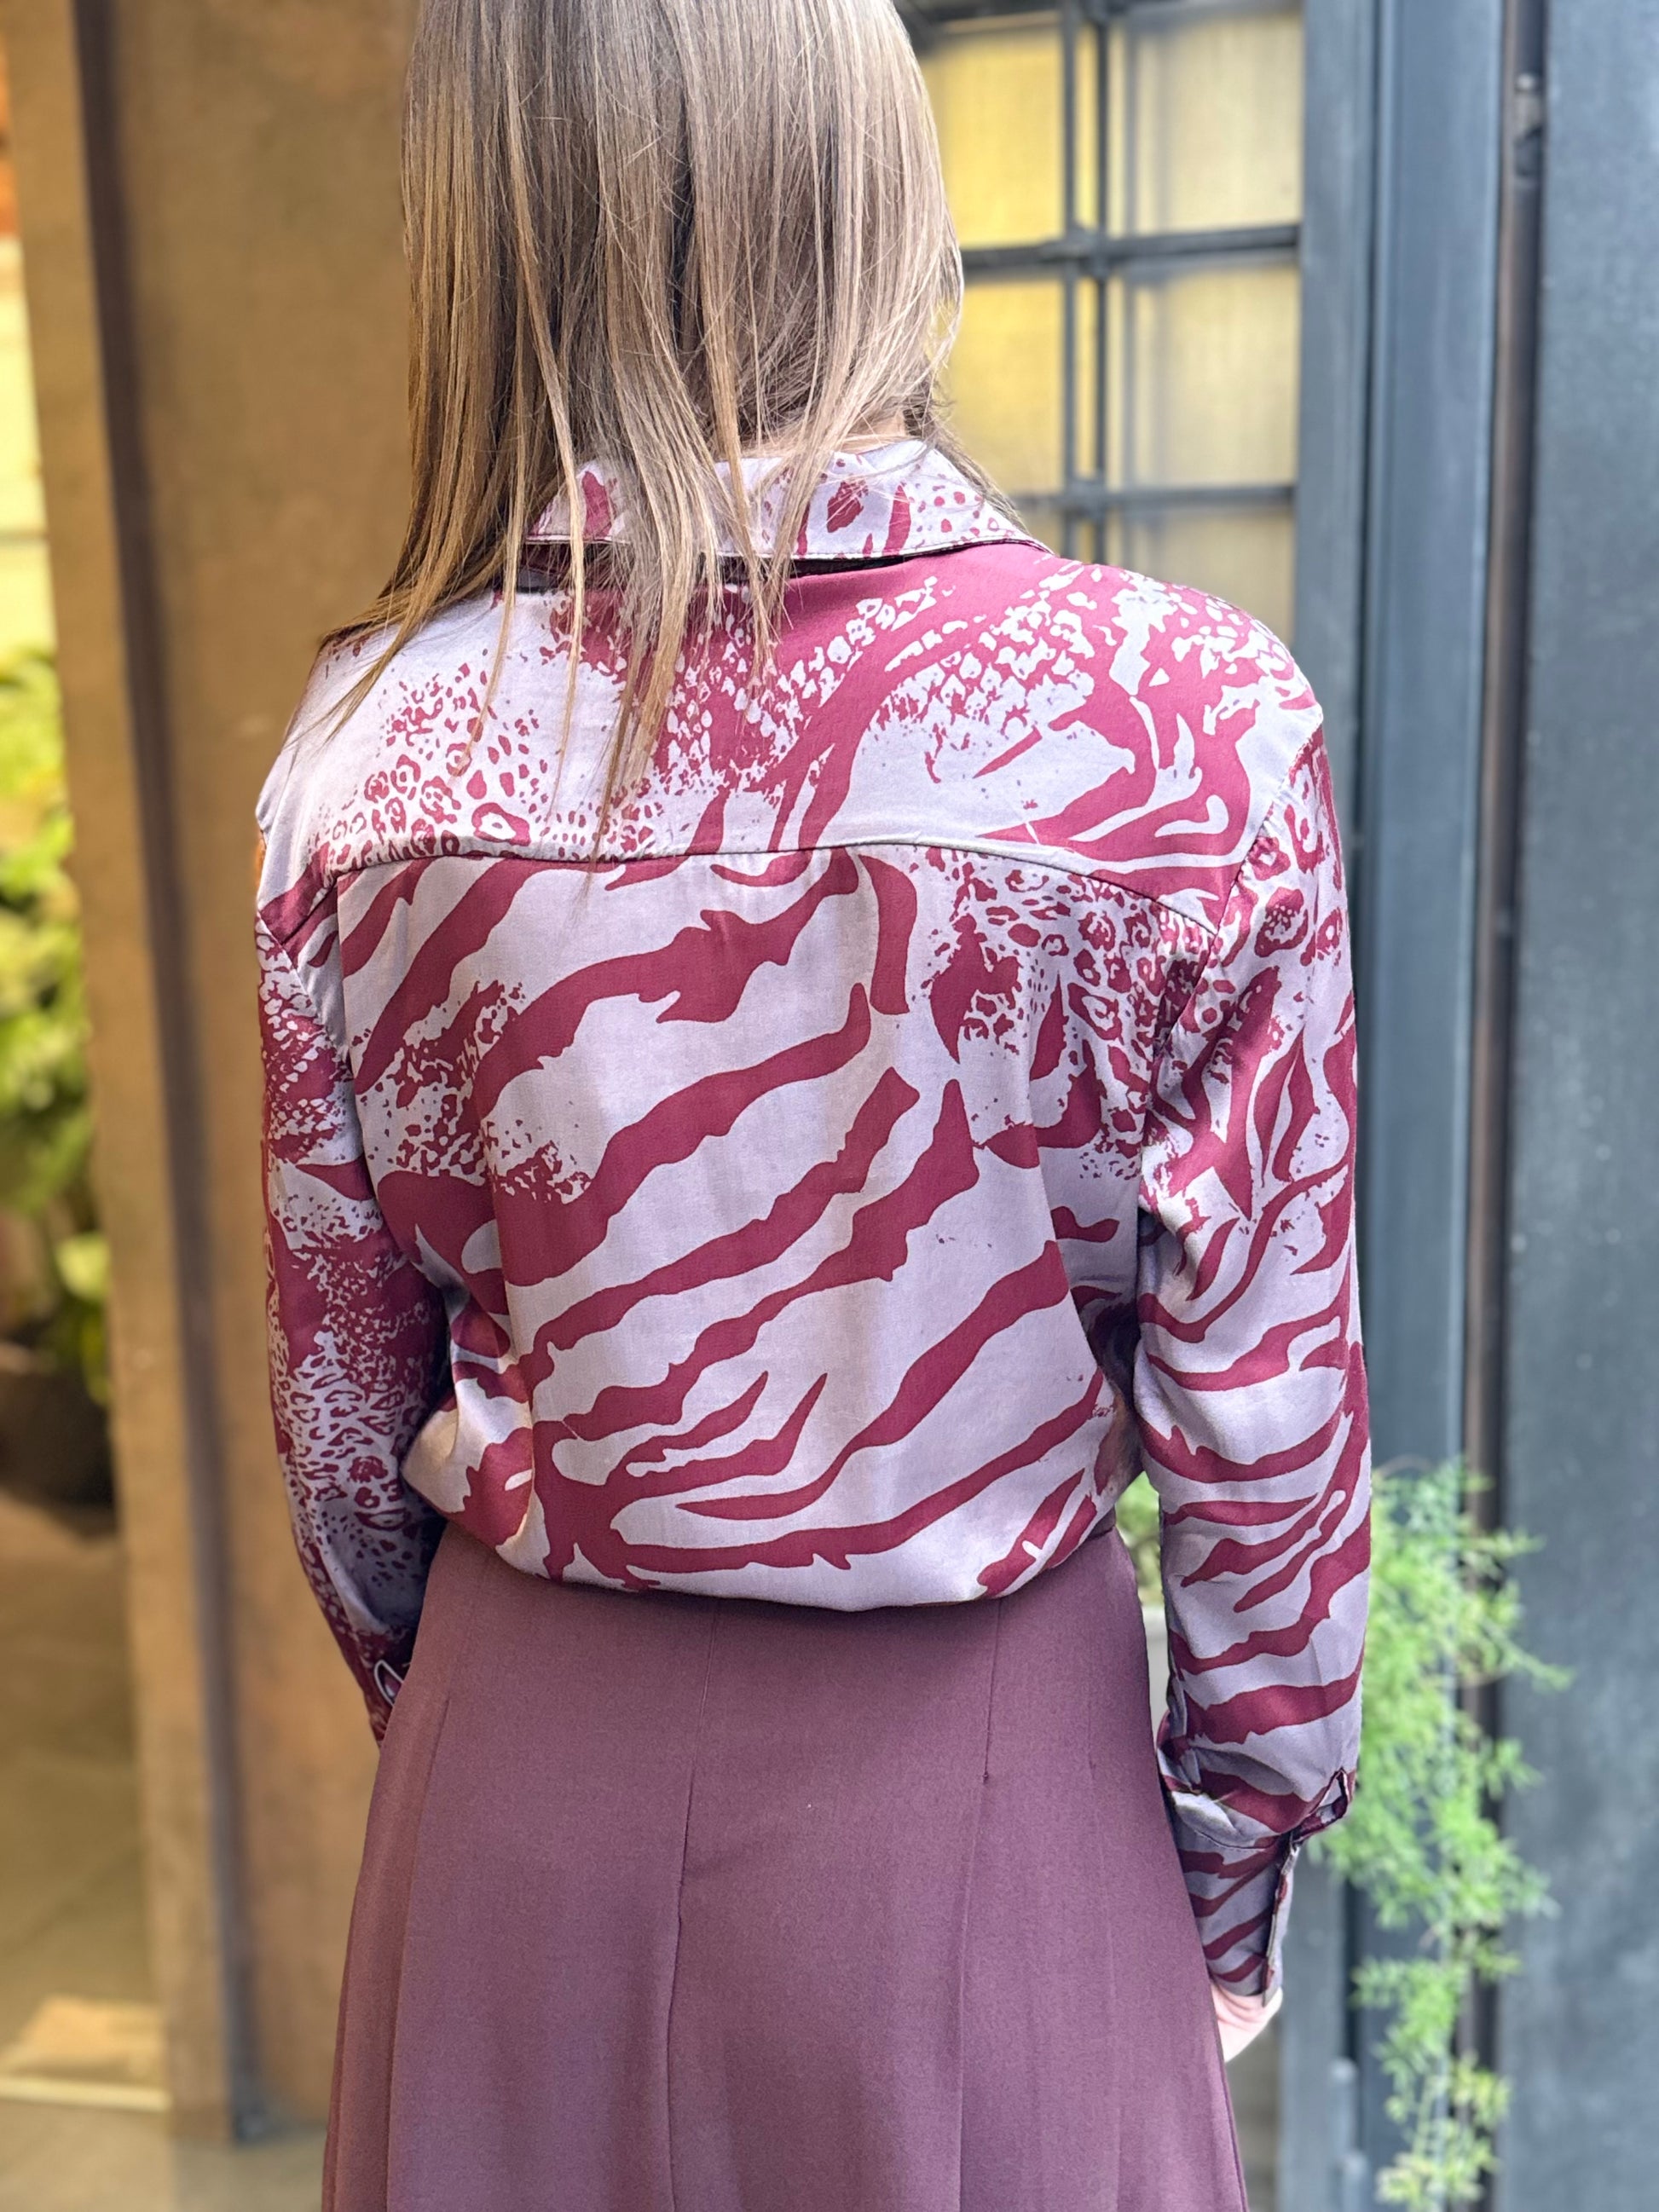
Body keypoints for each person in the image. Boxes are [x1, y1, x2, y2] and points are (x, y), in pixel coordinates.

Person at [255, 1, 1370, 2204]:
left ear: (494, 232)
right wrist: (1220, 1883)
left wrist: (487, 1742)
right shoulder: (1183, 731)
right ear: (882, 190)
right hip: (991, 1808)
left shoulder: (374, 751)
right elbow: (1268, 1456)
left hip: (518, 1801)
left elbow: (342, 1417)